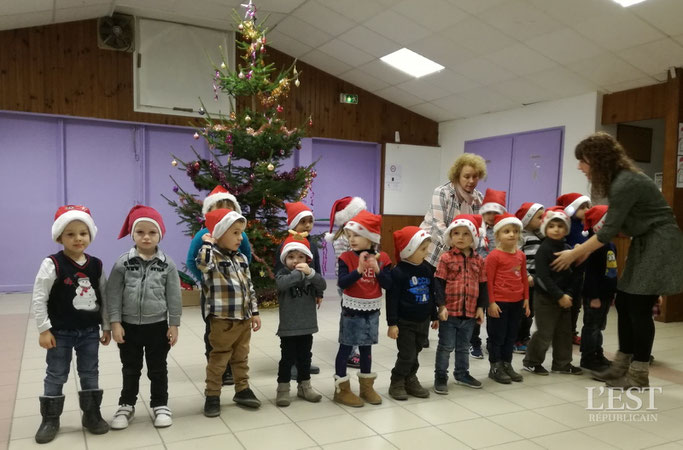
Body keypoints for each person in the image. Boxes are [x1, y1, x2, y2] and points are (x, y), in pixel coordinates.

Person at [553, 132, 683, 388]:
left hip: (659, 242)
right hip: (647, 240)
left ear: (597, 159)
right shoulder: (620, 181)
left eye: (583, 161)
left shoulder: (626, 183)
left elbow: (607, 233)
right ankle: (621, 366)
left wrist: (574, 253)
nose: (580, 167)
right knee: (624, 302)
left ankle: (638, 374)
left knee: (639, 307)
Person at [32, 205, 110, 443]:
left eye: (83, 233)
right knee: (56, 373)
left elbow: (104, 296)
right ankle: (50, 418)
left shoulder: (96, 265)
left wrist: (105, 326)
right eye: (70, 234)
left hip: (89, 332)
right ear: (59, 237)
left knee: (90, 372)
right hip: (60, 332)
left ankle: (91, 414)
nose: (78, 238)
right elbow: (39, 297)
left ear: (90, 235)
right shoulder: (52, 264)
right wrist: (44, 329)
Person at [107, 205, 181, 429]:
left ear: (160, 234)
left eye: (152, 232)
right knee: (130, 368)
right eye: (140, 232)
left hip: (157, 326)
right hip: (129, 327)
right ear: (133, 234)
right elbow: (113, 294)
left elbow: (174, 295)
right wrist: (115, 322)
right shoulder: (123, 263)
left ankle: (160, 405)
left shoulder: (167, 264)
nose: (146, 237)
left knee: (158, 367)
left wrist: (174, 324)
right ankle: (126, 405)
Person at [197, 208, 262, 416]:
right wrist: (208, 243)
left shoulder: (242, 258)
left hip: (243, 319)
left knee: (241, 357)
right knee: (219, 359)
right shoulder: (211, 255)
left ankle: (242, 389)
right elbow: (202, 265)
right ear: (220, 233)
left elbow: (249, 286)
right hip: (222, 320)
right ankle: (213, 395)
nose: (240, 237)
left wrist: (255, 311)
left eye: (241, 232)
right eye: (234, 232)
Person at [186, 186, 251, 386]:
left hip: (236, 295)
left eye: (229, 210)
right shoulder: (203, 235)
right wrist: (208, 280)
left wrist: (237, 276)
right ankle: (217, 368)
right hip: (213, 296)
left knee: (236, 333)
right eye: (219, 210)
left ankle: (231, 368)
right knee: (213, 332)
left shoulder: (242, 236)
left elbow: (246, 257)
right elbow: (192, 261)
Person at [333, 211, 392, 407]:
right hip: (351, 310)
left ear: (370, 237)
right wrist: (358, 271)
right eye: (349, 235)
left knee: (366, 348)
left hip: (372, 310)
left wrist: (377, 270)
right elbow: (342, 283)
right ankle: (342, 389)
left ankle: (366, 387)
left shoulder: (382, 257)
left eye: (356, 235)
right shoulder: (346, 257)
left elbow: (388, 284)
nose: (352, 239)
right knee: (346, 347)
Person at [522, 207, 582, 376]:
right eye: (552, 225)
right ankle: (532, 361)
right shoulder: (544, 249)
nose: (556, 229)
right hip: (545, 299)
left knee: (564, 332)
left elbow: (573, 275)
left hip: (564, 298)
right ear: (545, 228)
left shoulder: (567, 248)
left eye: (560, 226)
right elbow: (542, 277)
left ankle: (562, 364)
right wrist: (559, 295)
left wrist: (568, 293)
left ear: (566, 229)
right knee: (545, 332)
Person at [433, 215, 488, 394]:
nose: (461, 237)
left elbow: (482, 285)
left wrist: (481, 308)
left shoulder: (479, 260)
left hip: (470, 313)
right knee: (446, 346)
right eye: (456, 233)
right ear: (450, 236)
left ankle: (462, 373)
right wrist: (441, 306)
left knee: (464, 347)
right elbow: (439, 284)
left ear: (473, 237)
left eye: (466, 234)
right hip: (450, 313)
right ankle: (441, 376)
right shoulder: (446, 258)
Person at [386, 226, 438, 400]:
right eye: (422, 249)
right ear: (408, 249)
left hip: (422, 320)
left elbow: (430, 293)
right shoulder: (398, 272)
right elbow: (391, 300)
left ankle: (410, 378)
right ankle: (397, 380)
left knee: (416, 352)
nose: (426, 253)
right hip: (405, 322)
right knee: (407, 354)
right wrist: (392, 323)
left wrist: (434, 315)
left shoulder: (426, 269)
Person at [274, 235, 326, 407]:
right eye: (291, 257)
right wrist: (299, 272)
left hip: (307, 326)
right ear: (284, 259)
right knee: (287, 359)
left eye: (300, 257)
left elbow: (322, 285)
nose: (295, 261)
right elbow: (282, 285)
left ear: (307, 259)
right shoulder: (283, 274)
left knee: (305, 358)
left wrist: (310, 273)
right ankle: (282, 390)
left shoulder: (311, 275)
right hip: (289, 328)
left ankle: (305, 387)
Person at [273, 202, 322, 377]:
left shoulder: (312, 244)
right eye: (303, 221)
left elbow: (316, 269)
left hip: (307, 293)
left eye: (310, 221)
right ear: (293, 223)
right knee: (291, 336)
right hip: (291, 296)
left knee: (305, 335)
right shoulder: (285, 245)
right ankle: (292, 363)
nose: (307, 225)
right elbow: (279, 270)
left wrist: (319, 292)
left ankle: (303, 363)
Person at [485, 213, 530, 384]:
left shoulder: (521, 255)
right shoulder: (494, 256)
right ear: (497, 235)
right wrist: (491, 302)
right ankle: (495, 366)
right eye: (507, 231)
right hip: (499, 303)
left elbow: (524, 278)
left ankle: (507, 363)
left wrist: (526, 298)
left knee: (511, 335)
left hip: (516, 302)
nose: (512, 234)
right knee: (498, 336)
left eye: (515, 231)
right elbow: (488, 281)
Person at [420, 153, 486, 269]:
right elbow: (439, 226)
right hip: (433, 251)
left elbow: (477, 228)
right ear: (457, 176)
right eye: (466, 176)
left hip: (460, 254)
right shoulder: (442, 192)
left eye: (475, 176)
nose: (471, 181)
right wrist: (459, 246)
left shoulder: (478, 198)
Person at [324, 196, 367, 368]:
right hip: (349, 282)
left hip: (356, 280)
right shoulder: (343, 238)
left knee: (353, 315)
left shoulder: (349, 235)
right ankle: (350, 352)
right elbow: (348, 261)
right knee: (351, 316)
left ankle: (353, 349)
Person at [579, 205, 617, 372]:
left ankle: (597, 352)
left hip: (606, 294)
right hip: (595, 295)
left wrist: (612, 292)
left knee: (599, 327)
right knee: (592, 327)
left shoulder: (610, 244)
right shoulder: (593, 245)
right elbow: (591, 273)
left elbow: (612, 270)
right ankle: (588, 357)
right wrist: (594, 296)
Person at [471, 188, 506, 358]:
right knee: (476, 312)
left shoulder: (503, 231)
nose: (491, 216)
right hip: (478, 278)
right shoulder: (478, 230)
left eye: (495, 213)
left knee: (494, 313)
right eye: (489, 212)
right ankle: (474, 343)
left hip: (497, 280)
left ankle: (493, 343)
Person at [557, 192, 592, 346]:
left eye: (587, 207)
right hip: (568, 272)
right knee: (566, 305)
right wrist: (574, 250)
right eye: (582, 207)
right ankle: (561, 333)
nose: (586, 210)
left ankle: (571, 332)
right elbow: (563, 245)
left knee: (576, 305)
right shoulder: (567, 225)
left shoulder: (586, 225)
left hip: (581, 273)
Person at [513, 202, 545, 353]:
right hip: (524, 280)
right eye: (539, 217)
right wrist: (526, 276)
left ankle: (524, 337)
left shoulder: (539, 235)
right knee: (521, 312)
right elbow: (517, 258)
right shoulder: (521, 236)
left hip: (536, 280)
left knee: (529, 312)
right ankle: (516, 339)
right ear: (528, 218)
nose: (542, 220)